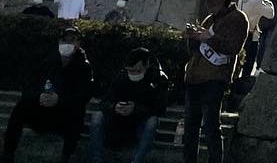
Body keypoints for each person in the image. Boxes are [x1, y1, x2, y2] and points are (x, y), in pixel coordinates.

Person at [2, 29, 93, 162]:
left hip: (64, 117)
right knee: (21, 106)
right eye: (64, 40)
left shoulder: (84, 67)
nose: (67, 44)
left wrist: (59, 100)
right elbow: (29, 87)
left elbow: (84, 96)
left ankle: (67, 156)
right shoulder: (48, 61)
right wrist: (39, 97)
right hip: (42, 111)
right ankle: (8, 153)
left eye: (72, 40)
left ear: (78, 43)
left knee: (76, 112)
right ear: (59, 42)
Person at [180, 0, 247, 163]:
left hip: (215, 77)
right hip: (195, 77)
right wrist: (193, 36)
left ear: (225, 1)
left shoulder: (237, 19)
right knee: (190, 127)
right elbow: (194, 49)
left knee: (211, 126)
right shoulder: (209, 20)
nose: (211, 7)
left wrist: (209, 38)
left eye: (214, 2)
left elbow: (232, 47)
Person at [88, 48, 169, 163]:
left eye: (137, 71)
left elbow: (160, 108)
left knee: (152, 122)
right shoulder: (121, 77)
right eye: (130, 70)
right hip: (118, 122)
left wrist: (135, 109)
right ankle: (96, 160)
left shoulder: (158, 79)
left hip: (140, 123)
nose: (133, 74)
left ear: (147, 66)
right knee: (97, 117)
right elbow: (105, 101)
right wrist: (115, 107)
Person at [233, 0, 274, 90]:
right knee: (248, 64)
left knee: (238, 62)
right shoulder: (257, 2)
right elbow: (271, 14)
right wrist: (268, 2)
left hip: (239, 33)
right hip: (251, 36)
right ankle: (242, 88)